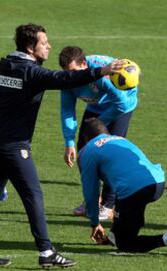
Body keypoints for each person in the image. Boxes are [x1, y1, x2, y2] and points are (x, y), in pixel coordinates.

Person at [0, 23, 124, 268]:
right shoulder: (31, 72)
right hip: (13, 146)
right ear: (31, 48)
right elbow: (63, 78)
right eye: (44, 43)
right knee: (33, 196)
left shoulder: (1, 67)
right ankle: (46, 252)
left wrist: (5, 110)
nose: (49, 46)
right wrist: (101, 71)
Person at [78, 118, 167, 256]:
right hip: (157, 182)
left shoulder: (89, 149)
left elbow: (91, 191)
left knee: (125, 244)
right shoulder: (120, 139)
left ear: (85, 138)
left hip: (135, 189)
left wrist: (95, 222)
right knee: (126, 212)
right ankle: (115, 236)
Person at [58, 46, 139, 221]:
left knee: (109, 152)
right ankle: (92, 199)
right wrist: (69, 142)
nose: (72, 77)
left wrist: (98, 122)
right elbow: (67, 110)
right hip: (95, 106)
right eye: (67, 73)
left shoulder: (105, 76)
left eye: (73, 71)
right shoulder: (68, 80)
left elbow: (122, 104)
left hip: (120, 106)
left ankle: (108, 204)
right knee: (84, 152)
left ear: (85, 65)